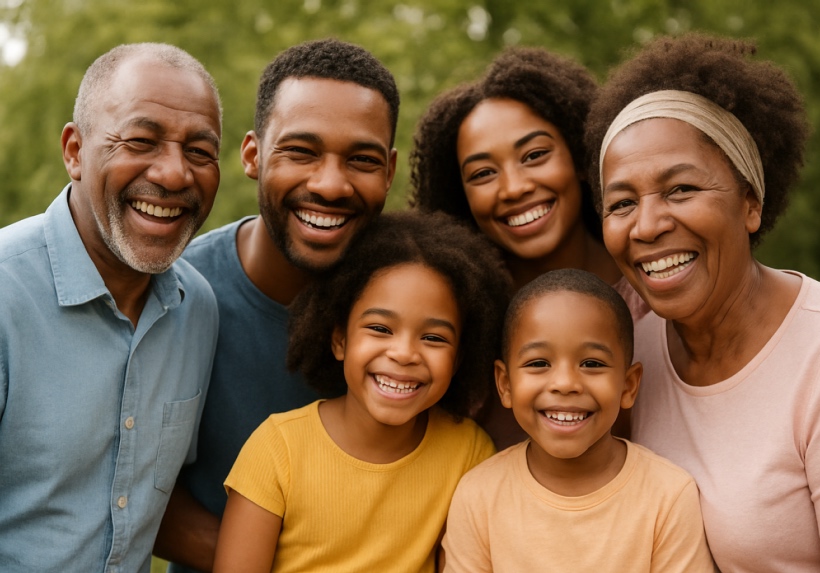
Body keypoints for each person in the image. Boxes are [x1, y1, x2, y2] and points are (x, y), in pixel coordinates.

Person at [587, 33, 820, 572]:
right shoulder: (629, 359)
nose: (647, 224)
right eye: (621, 202)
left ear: (751, 204)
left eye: (681, 190)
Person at [154, 39, 400, 572]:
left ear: (390, 171)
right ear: (252, 155)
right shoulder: (170, 295)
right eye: (301, 151)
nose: (330, 184)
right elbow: (133, 490)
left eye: (361, 159)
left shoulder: (414, 301)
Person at [0, 43, 221, 572]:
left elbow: (157, 506)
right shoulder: (6, 294)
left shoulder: (199, 310)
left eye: (199, 151)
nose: (174, 175)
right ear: (75, 151)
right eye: (141, 141)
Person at [211, 210, 510, 572]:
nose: (403, 354)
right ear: (340, 339)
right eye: (381, 328)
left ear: (460, 358)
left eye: (433, 338)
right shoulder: (278, 449)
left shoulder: (469, 453)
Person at [410, 47, 647, 449]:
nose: (514, 187)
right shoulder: (460, 321)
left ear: (580, 156)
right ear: (459, 196)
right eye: (483, 173)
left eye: (535, 155)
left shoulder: (655, 296)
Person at [443, 269, 714, 572]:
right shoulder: (478, 496)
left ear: (628, 386)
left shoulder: (668, 496)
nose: (565, 383)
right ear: (505, 384)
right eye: (539, 363)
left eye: (591, 363)